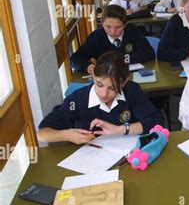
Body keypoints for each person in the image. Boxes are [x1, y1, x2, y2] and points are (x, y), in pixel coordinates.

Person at [38, 51, 167, 144]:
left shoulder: (131, 91)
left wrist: (120, 129)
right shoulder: (78, 100)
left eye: (112, 88)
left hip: (126, 155)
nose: (104, 93)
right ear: (93, 75)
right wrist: (66, 135)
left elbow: (156, 121)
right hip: (90, 159)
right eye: (99, 85)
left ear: (124, 82)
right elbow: (42, 133)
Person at [71, 5, 155, 74]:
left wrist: (122, 60)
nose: (113, 31)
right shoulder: (96, 37)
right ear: (102, 23)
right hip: (107, 78)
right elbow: (75, 59)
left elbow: (149, 53)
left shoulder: (133, 31)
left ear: (125, 25)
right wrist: (87, 67)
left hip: (131, 75)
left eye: (118, 27)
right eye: (108, 27)